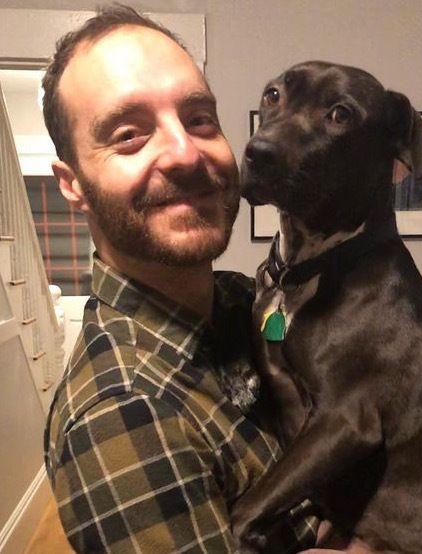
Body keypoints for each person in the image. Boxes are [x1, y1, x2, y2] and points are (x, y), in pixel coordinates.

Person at [42, 6, 374, 554]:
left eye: (199, 120)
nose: (184, 153)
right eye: (128, 134)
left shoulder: (248, 300)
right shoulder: (125, 415)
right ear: (72, 184)